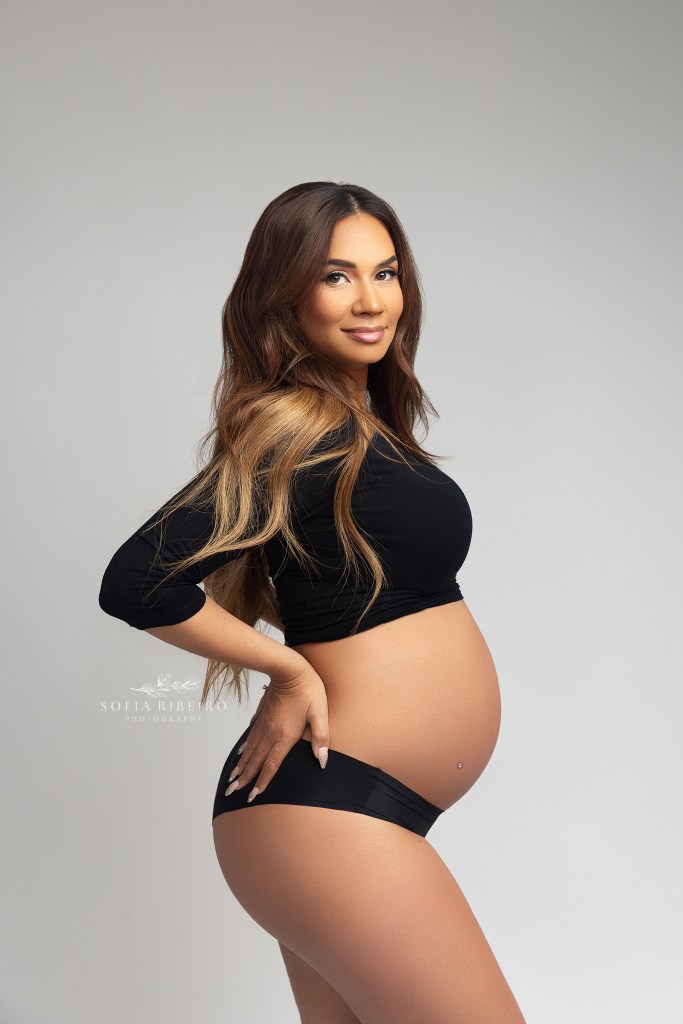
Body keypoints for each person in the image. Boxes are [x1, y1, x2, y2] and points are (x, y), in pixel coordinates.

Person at [98, 181, 527, 1024]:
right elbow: (137, 578)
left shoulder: (359, 423)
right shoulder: (290, 426)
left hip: (341, 813)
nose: (372, 300)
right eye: (336, 277)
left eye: (386, 272)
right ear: (285, 294)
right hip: (328, 812)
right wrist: (285, 667)